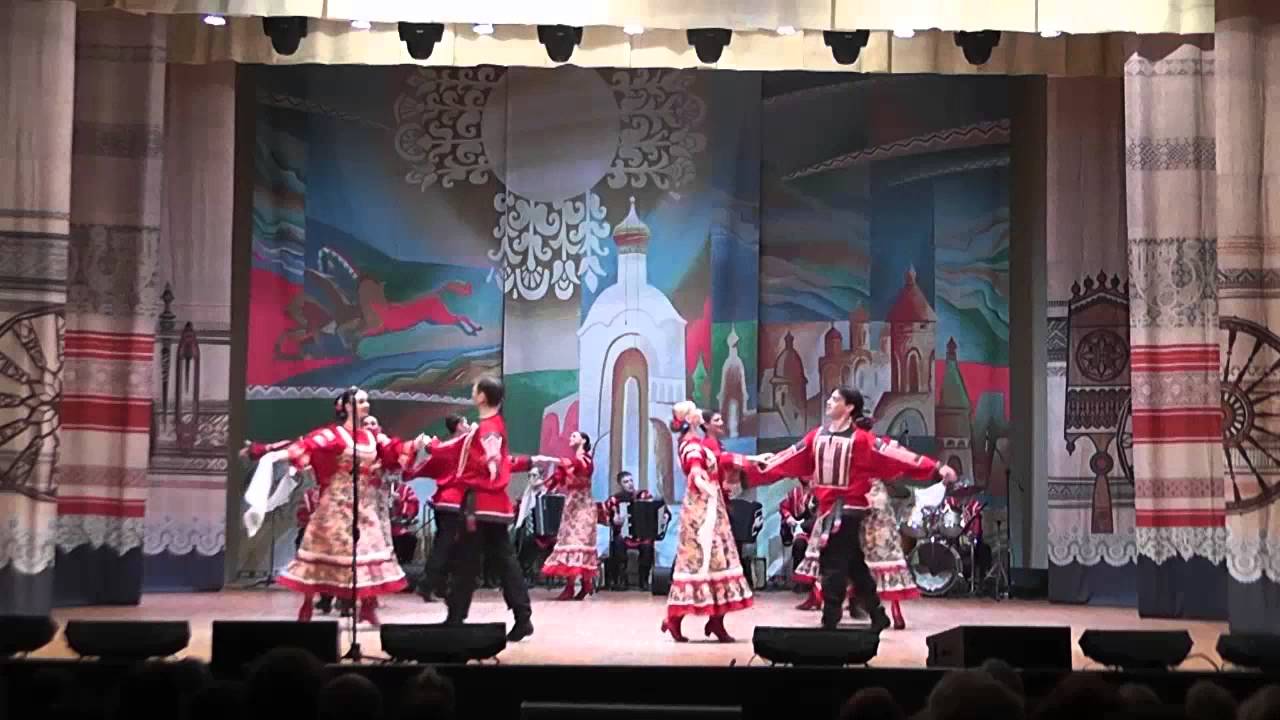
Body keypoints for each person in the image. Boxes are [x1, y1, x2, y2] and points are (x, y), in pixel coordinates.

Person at [730, 386, 955, 631]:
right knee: (855, 566)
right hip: (828, 509)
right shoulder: (816, 437)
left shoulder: (862, 440)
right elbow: (787, 459)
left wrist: (935, 469)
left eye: (835, 399)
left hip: (848, 510)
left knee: (832, 564)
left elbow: (896, 456)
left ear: (849, 407)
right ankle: (877, 613)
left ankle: (830, 618)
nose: (828, 401)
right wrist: (747, 474)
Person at [247, 389, 423, 625]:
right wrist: (271, 454)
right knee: (323, 551)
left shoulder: (373, 437)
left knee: (368, 551)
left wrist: (416, 444)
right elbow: (306, 446)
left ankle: (367, 607)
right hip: (336, 504)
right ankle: (307, 605)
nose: (367, 405)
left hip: (364, 505)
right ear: (348, 407)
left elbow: (394, 450)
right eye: (361, 401)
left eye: (367, 401)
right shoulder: (333, 435)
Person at [411, 377, 534, 642]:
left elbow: (492, 446)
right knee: (502, 560)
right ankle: (521, 617)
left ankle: (456, 614)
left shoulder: (489, 427)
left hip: (480, 504)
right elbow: (460, 447)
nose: (472, 392)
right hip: (491, 504)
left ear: (482, 397)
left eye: (475, 389)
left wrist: (492, 463)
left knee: (468, 560)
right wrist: (431, 446)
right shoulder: (487, 426)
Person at [661, 401, 754, 643]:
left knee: (720, 561)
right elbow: (694, 471)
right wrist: (705, 485)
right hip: (701, 509)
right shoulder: (690, 444)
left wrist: (749, 462)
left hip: (713, 506)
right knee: (699, 561)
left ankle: (716, 621)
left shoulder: (699, 443)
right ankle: (674, 618)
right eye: (693, 411)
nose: (698, 412)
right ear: (689, 419)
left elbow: (719, 462)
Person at [413, 414, 470, 602]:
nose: (468, 426)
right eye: (465, 423)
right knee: (445, 545)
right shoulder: (460, 445)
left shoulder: (449, 447)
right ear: (459, 426)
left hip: (444, 501)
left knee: (448, 544)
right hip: (453, 501)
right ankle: (427, 584)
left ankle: (440, 585)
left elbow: (427, 466)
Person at [538, 431, 598, 600]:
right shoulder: (570, 463)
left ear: (583, 440)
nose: (571, 438)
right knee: (568, 543)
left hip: (584, 506)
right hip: (571, 506)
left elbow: (580, 467)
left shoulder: (586, 460)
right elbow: (557, 478)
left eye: (574, 436)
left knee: (580, 542)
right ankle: (572, 586)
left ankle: (583, 584)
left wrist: (554, 461)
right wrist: (543, 487)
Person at [603, 471, 656, 590]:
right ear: (620, 484)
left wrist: (664, 515)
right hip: (624, 536)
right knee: (618, 542)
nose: (630, 484)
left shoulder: (644, 495)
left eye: (631, 480)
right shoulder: (615, 499)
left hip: (642, 536)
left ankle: (643, 580)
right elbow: (606, 516)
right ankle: (622, 579)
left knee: (648, 545)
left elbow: (658, 508)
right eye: (626, 482)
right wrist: (613, 519)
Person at [294, 485, 335, 614]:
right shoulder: (337, 493)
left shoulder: (310, 493)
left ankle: (325, 599)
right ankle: (332, 600)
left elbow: (301, 515)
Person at [779, 481, 817, 589]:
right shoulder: (794, 492)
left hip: (817, 529)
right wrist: (789, 517)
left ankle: (815, 583)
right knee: (799, 545)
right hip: (801, 530)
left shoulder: (818, 493)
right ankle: (800, 581)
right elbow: (783, 507)